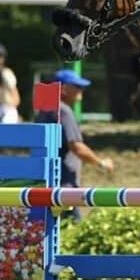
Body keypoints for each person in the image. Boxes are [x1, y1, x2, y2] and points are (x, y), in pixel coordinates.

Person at [35, 69, 115, 218]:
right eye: (77, 86)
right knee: (73, 225)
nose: (81, 90)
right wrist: (101, 163)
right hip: (64, 183)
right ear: (64, 88)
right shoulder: (63, 111)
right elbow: (76, 147)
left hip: (45, 182)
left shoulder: (44, 111)